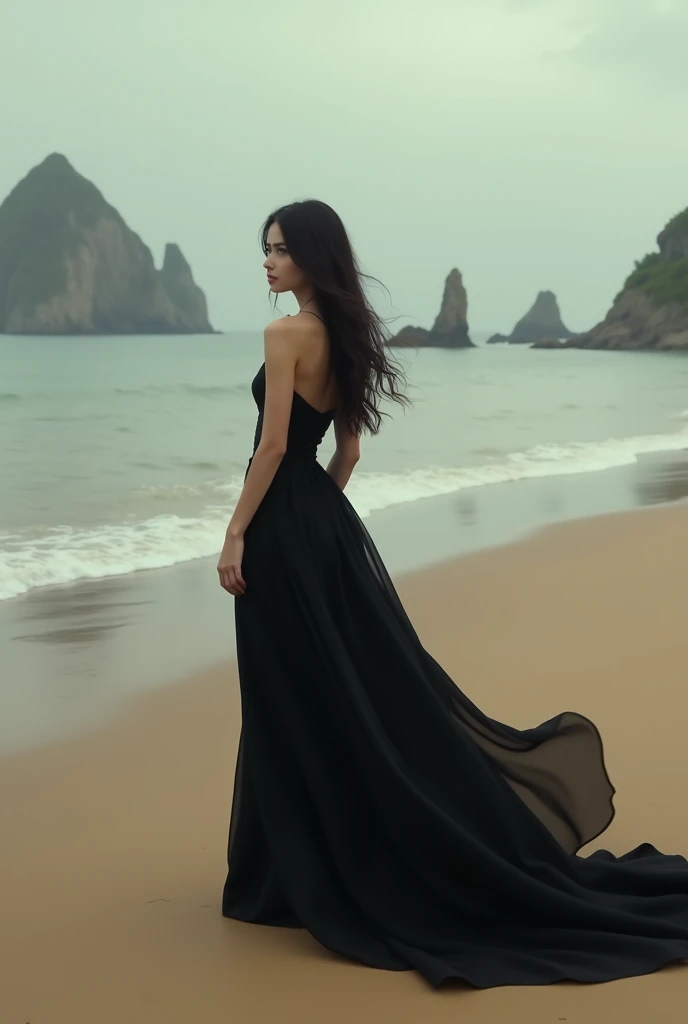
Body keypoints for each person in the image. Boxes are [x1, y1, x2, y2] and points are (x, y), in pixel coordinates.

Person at [218, 199, 688, 990]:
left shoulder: (285, 334)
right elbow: (351, 448)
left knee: (289, 691)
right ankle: (310, 858)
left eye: (279, 250)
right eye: (263, 249)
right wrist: (320, 516)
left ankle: (281, 873)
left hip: (284, 530)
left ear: (310, 255)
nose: (266, 261)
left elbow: (270, 448)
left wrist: (239, 533)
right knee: (346, 689)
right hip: (322, 527)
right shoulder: (343, 332)